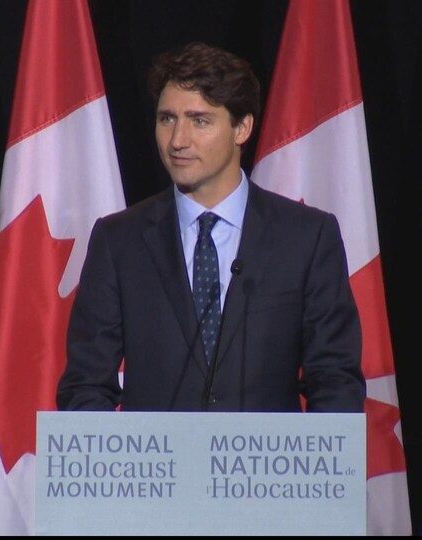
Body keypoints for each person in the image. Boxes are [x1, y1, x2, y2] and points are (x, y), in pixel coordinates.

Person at [56, 42, 364, 412]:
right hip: (156, 451)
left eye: (199, 121)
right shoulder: (118, 241)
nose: (177, 141)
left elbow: (335, 380)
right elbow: (85, 386)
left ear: (242, 128)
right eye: (167, 119)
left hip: (267, 451)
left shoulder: (307, 237)